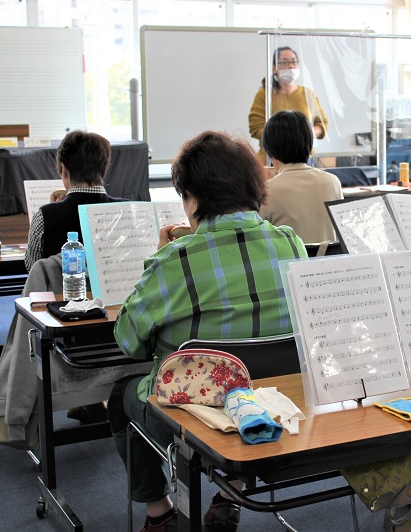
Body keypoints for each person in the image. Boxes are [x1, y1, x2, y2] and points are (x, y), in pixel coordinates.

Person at [107, 131, 308, 532]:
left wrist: (160, 256)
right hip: (276, 404)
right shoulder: (292, 244)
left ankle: (160, 512)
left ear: (193, 200)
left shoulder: (174, 260)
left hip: (197, 417)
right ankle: (230, 493)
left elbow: (129, 343)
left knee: (120, 396)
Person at [25, 130, 124, 272]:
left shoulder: (44, 215)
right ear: (104, 171)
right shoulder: (128, 209)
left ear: (64, 170)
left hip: (63, 287)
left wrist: (54, 212)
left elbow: (32, 267)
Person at [259, 110, 343, 244]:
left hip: (289, 258)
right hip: (328, 256)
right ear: (309, 143)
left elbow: (257, 236)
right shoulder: (332, 181)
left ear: (269, 148)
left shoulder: (268, 189)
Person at [248, 46, 329, 164]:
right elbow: (256, 128)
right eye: (284, 62)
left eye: (294, 62)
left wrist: (307, 133)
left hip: (303, 159)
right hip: (272, 159)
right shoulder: (264, 94)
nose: (290, 66)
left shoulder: (308, 94)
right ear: (274, 69)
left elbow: (322, 124)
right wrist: (283, 137)